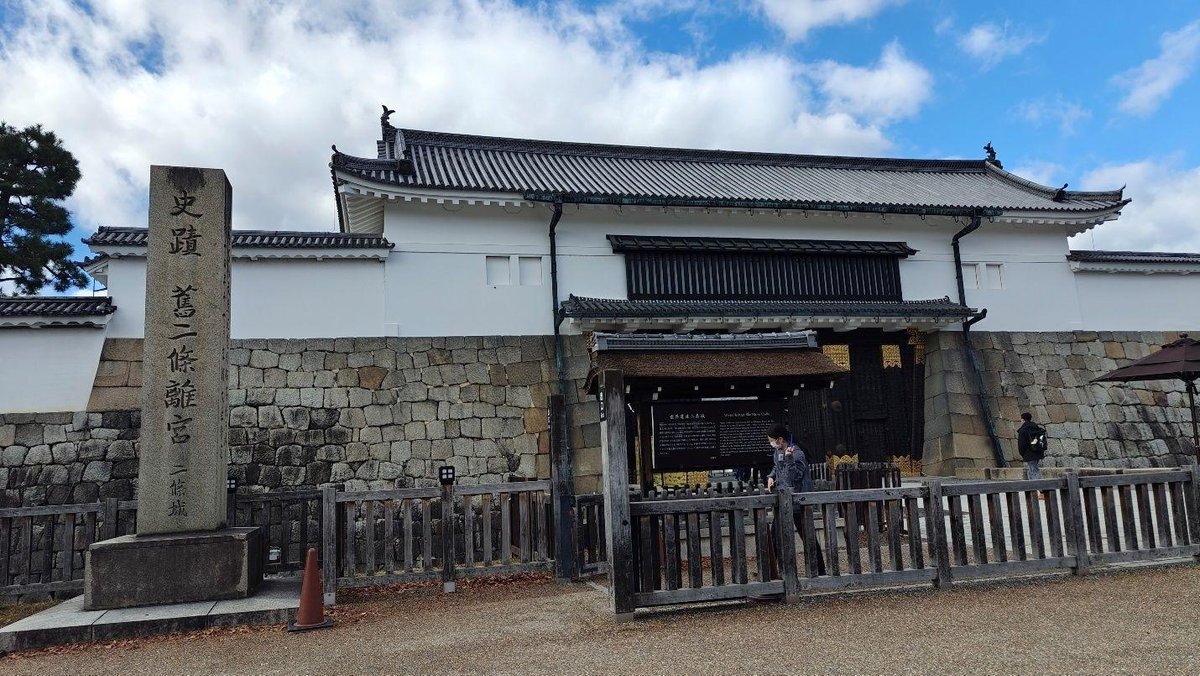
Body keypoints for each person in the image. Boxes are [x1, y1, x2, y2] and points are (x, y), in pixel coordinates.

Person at [766, 423, 826, 576]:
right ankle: (772, 571)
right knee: (775, 536)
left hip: (799, 501)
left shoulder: (797, 453)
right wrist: (771, 477)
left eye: (772, 440)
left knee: (807, 535)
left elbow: (796, 476)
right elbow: (777, 467)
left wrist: (789, 458)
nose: (771, 443)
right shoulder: (778, 451)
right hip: (783, 499)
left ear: (780, 439)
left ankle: (819, 569)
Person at [1017, 411, 1047, 480]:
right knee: (1033, 469)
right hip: (1038, 451)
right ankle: (1034, 485)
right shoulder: (1036, 428)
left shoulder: (1023, 430)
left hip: (1029, 453)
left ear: (1023, 419)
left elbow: (1021, 445)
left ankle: (1037, 485)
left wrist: (1023, 454)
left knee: (1033, 470)